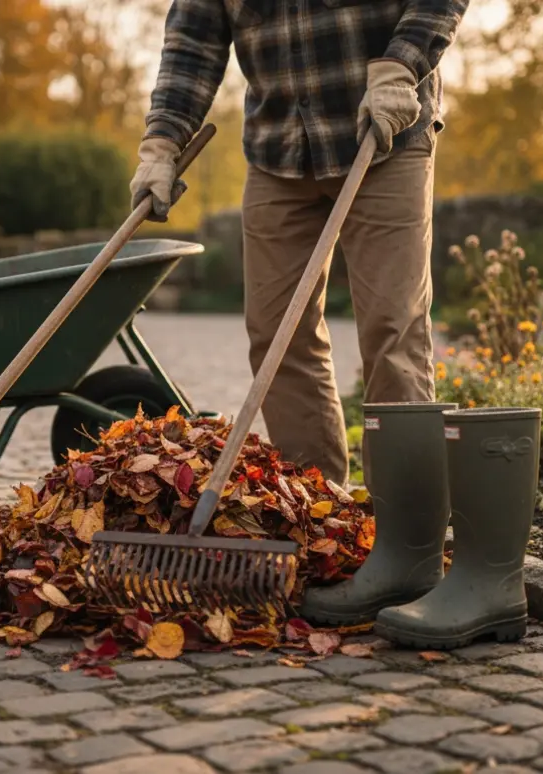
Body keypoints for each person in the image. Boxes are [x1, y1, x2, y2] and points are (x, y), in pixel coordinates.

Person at [130, 0, 473, 628]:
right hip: (279, 147)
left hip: (385, 129)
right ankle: (324, 525)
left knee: (391, 332)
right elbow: (194, 37)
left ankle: (411, 549)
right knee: (276, 332)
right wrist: (162, 138)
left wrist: (402, 64)